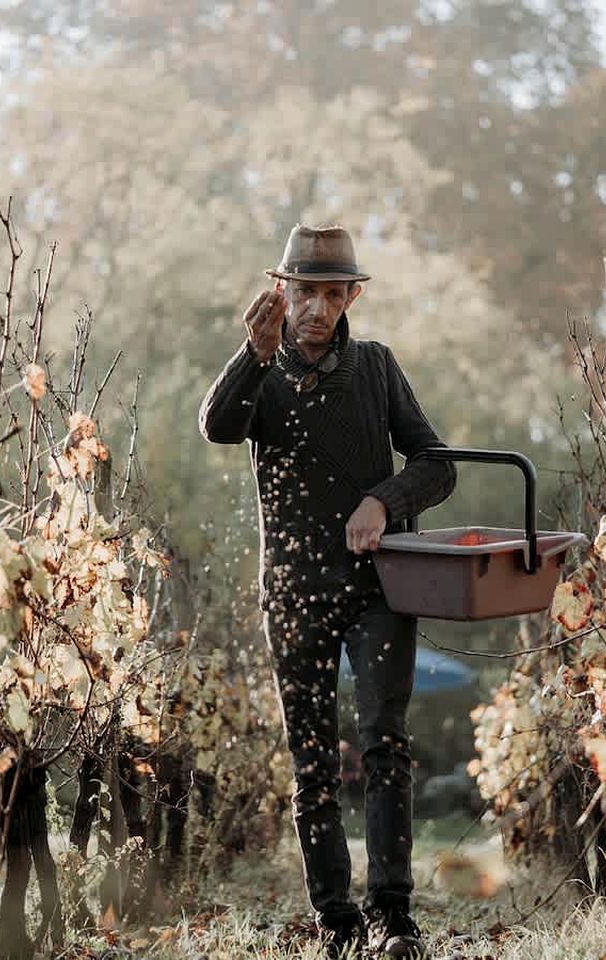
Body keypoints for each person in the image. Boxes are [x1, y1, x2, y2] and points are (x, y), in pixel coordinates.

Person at [198, 223, 456, 958]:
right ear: (281, 292)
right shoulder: (260, 374)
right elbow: (216, 427)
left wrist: (383, 499)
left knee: (384, 746)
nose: (316, 307)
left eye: (332, 294)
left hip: (378, 588)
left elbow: (437, 463)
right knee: (311, 760)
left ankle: (393, 918)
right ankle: (336, 921)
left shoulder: (375, 368)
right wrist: (251, 356)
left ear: (352, 297)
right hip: (292, 589)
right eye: (304, 291)